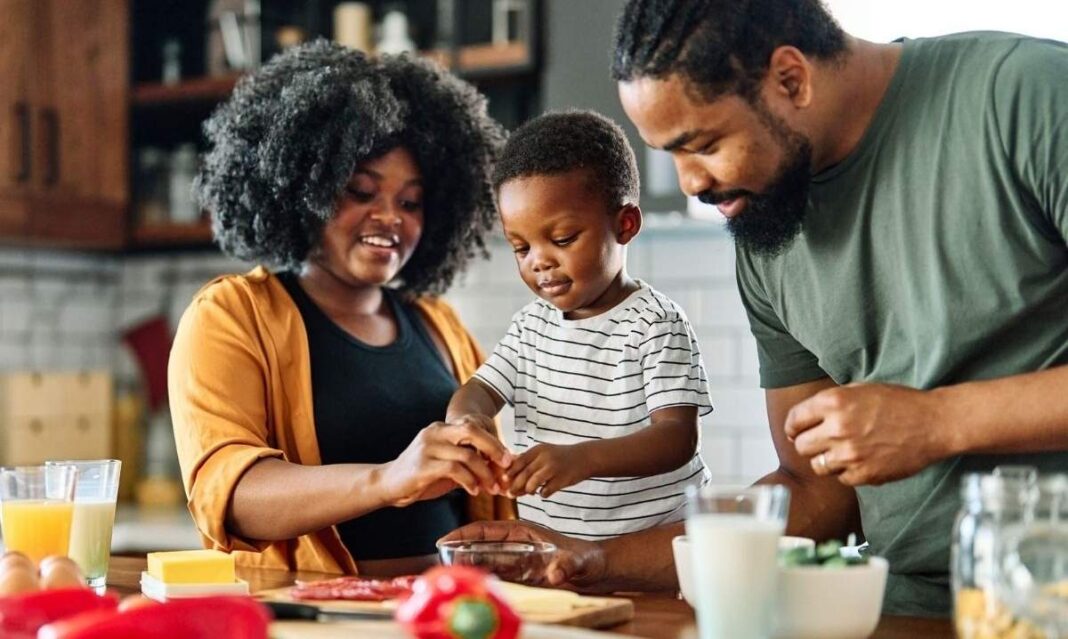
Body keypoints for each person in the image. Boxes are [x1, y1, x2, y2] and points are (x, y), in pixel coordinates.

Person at [445, 0, 1068, 617]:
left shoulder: (1025, 98)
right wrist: (592, 560)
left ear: (790, 79)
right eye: (671, 155)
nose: (689, 182)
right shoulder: (767, 229)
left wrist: (939, 421)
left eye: (703, 144)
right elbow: (813, 490)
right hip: (906, 606)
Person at [169, 40, 516, 577]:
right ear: (302, 188)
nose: (390, 218)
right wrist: (389, 480)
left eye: (411, 202)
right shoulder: (231, 316)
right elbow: (230, 494)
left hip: (452, 609)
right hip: (314, 616)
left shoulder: (438, 324)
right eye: (360, 191)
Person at [446, 110, 713, 540]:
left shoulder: (655, 324)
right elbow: (479, 391)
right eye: (521, 247)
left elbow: (677, 439)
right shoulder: (530, 327)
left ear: (624, 224)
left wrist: (580, 459)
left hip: (652, 549)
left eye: (563, 239)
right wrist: (468, 421)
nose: (539, 261)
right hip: (554, 547)